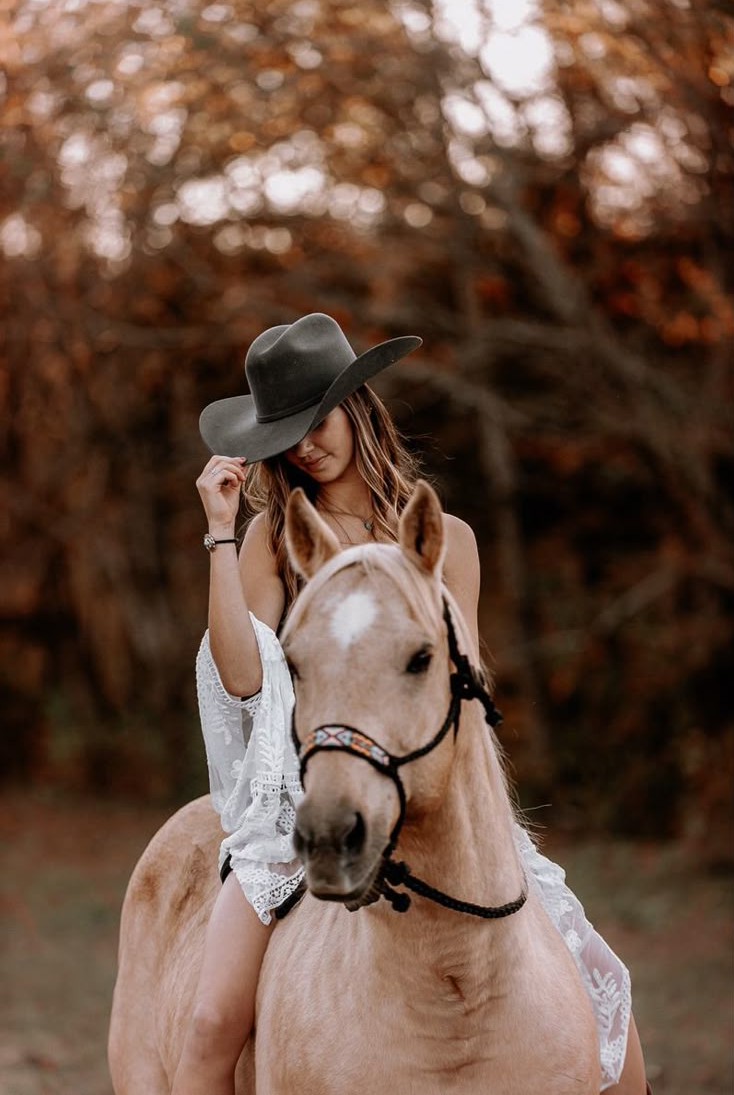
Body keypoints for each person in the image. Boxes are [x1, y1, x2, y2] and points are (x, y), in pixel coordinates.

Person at [172, 313, 648, 1095]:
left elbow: (454, 699)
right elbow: (243, 677)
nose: (304, 445)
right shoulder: (273, 538)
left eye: (316, 420)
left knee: (611, 1002)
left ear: (357, 407)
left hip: (435, 798)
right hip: (305, 797)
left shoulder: (446, 540)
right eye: (284, 432)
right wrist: (222, 534)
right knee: (208, 1028)